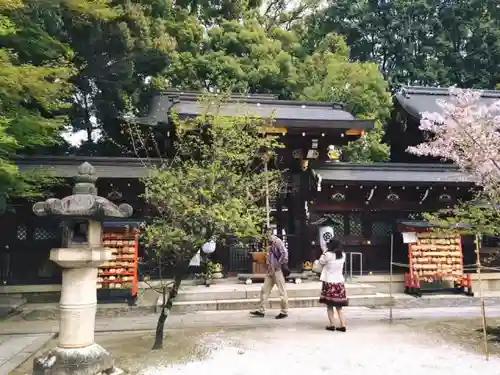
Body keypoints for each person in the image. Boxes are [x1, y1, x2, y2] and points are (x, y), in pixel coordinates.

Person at [250, 232, 289, 319]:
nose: (266, 239)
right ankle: (261, 310)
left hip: (278, 271)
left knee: (282, 292)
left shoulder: (277, 242)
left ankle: (284, 311)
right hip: (270, 271)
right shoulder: (269, 245)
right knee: (264, 290)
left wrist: (278, 264)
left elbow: (284, 253)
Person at [319, 239, 348, 331]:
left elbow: (321, 261)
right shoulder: (343, 255)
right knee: (339, 307)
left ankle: (332, 324)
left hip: (329, 283)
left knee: (329, 306)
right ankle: (342, 325)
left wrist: (324, 251)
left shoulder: (327, 255)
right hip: (339, 282)